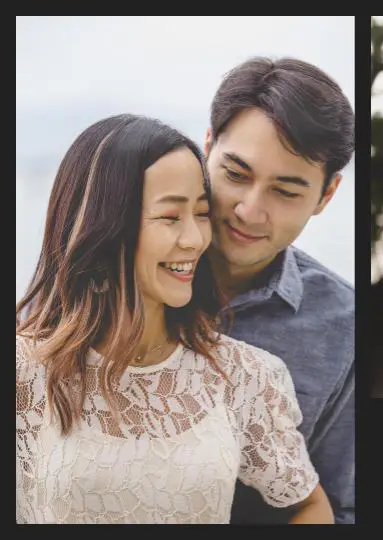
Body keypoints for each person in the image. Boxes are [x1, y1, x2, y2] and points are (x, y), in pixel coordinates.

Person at [15, 114, 333, 524]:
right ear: (104, 227)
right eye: (170, 217)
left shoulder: (245, 376)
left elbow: (310, 505)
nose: (195, 239)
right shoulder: (23, 372)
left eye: (201, 214)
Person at [201, 57, 356, 524]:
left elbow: (346, 508)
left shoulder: (347, 329)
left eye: (285, 192)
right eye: (236, 174)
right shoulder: (107, 275)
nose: (249, 211)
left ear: (325, 197)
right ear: (206, 148)